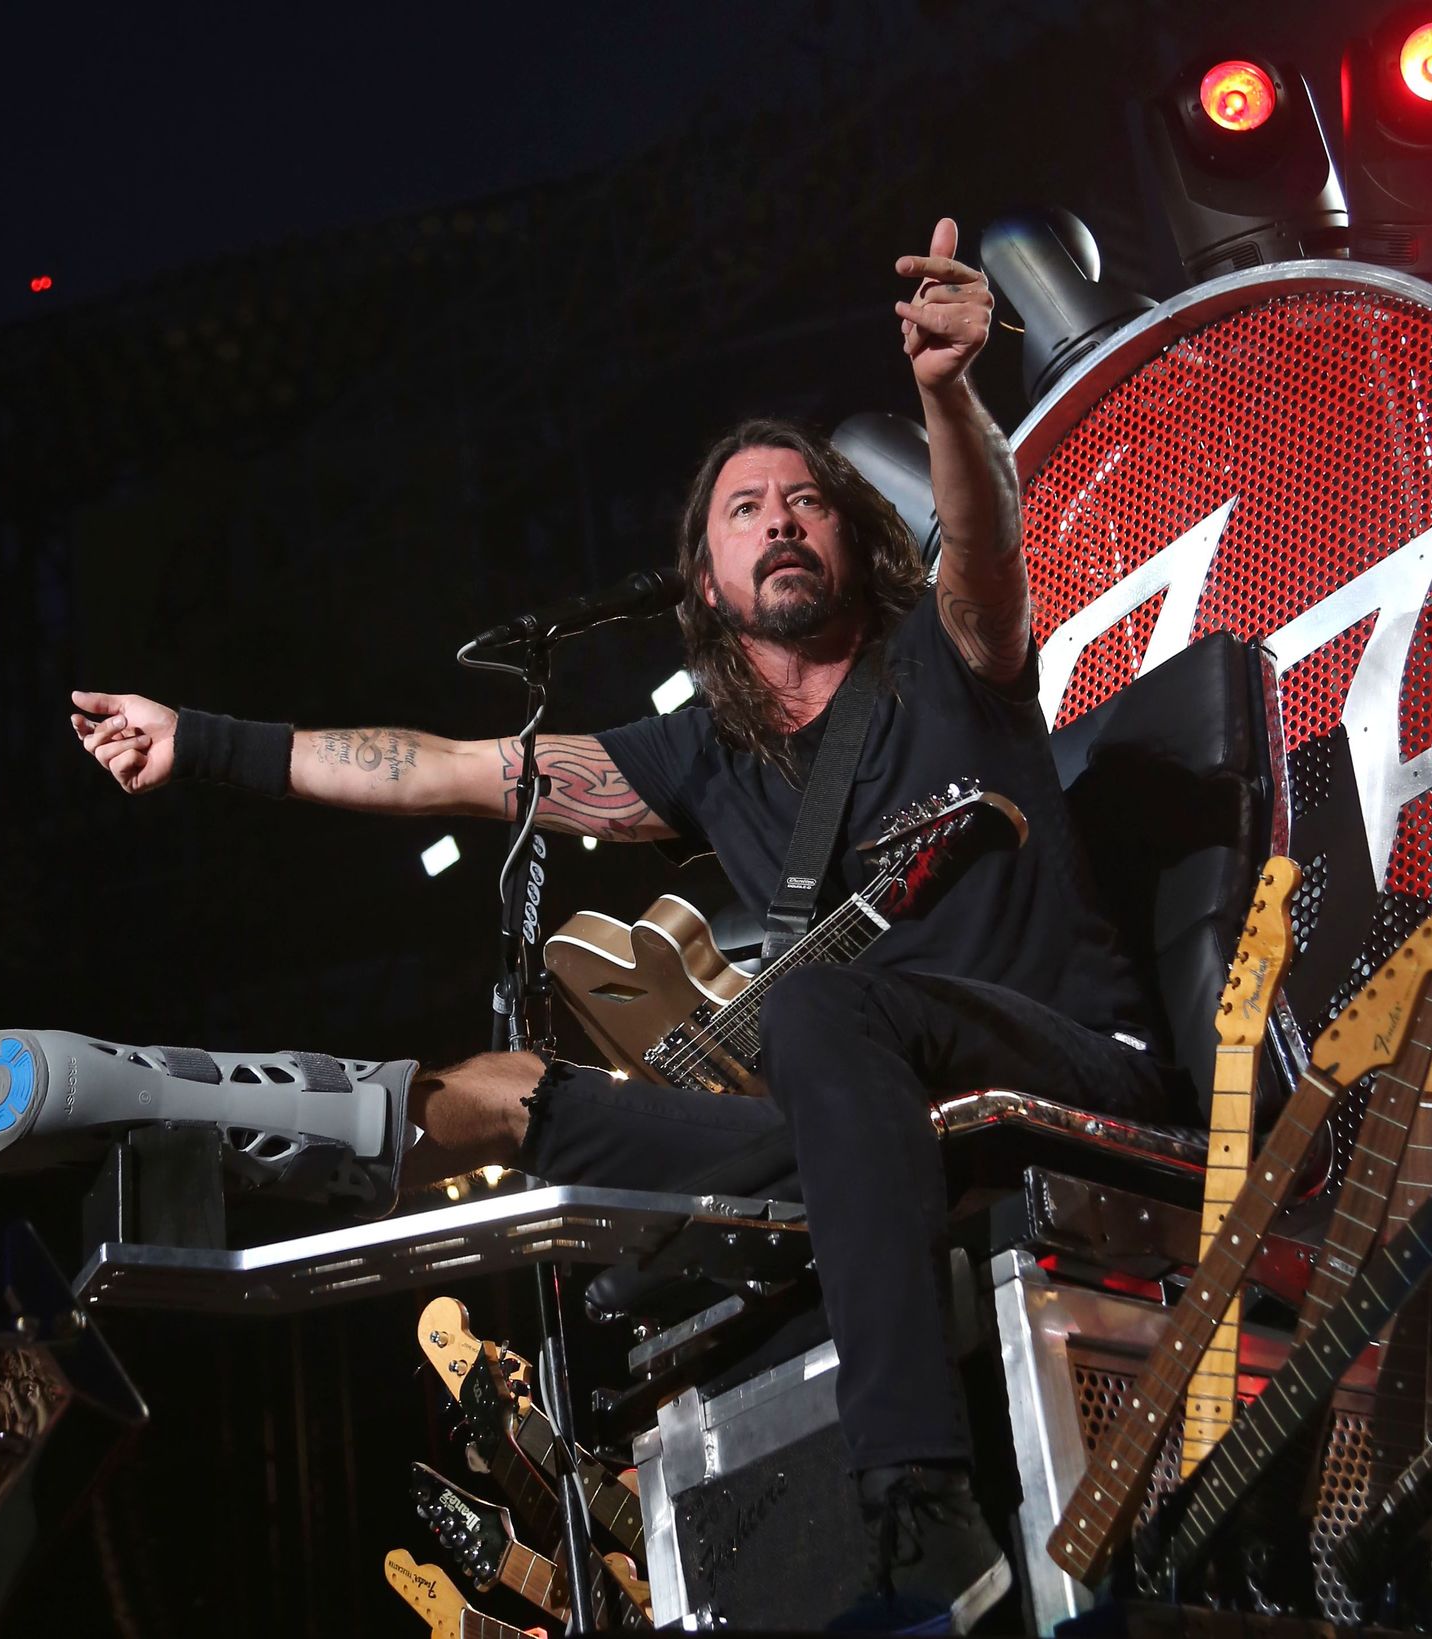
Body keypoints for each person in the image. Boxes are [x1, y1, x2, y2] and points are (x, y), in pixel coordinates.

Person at [69, 218, 1177, 1633]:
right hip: (880, 1122)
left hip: (1064, 1072)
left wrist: (952, 394)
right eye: (742, 508)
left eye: (806, 499)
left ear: (851, 533)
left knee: (818, 1006)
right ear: (703, 585)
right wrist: (204, 741)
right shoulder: (703, 758)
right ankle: (221, 1138)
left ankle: (921, 1504)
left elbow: (984, 538)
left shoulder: (945, 656)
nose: (779, 516)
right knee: (526, 1100)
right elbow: (446, 769)